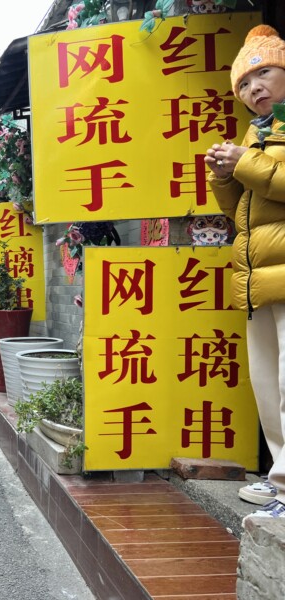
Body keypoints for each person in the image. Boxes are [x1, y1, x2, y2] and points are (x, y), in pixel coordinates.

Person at [207, 24, 285, 521]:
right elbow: (242, 211)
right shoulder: (256, 133)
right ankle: (280, 475)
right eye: (244, 83)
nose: (254, 88)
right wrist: (224, 176)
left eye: (264, 74)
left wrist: (246, 163)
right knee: (267, 382)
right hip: (259, 276)